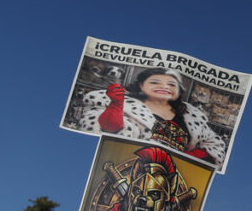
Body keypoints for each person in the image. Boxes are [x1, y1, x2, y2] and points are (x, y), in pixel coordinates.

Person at [77, 67, 227, 168]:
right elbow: (102, 127)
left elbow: (214, 144)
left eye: (172, 84)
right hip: (130, 168)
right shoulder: (125, 105)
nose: (165, 87)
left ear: (179, 91)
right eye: (155, 82)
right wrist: (115, 106)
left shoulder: (192, 117)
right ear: (141, 85)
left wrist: (192, 157)